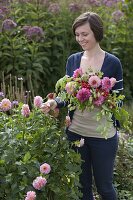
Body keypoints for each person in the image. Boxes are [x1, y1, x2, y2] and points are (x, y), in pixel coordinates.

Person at [41, 12, 123, 200]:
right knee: (82, 188)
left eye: (84, 34)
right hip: (76, 133)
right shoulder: (73, 60)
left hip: (103, 136)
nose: (80, 39)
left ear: (96, 32)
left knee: (105, 188)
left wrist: (101, 97)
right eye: (77, 34)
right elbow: (66, 94)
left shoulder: (112, 63)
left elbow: (119, 99)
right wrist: (54, 102)